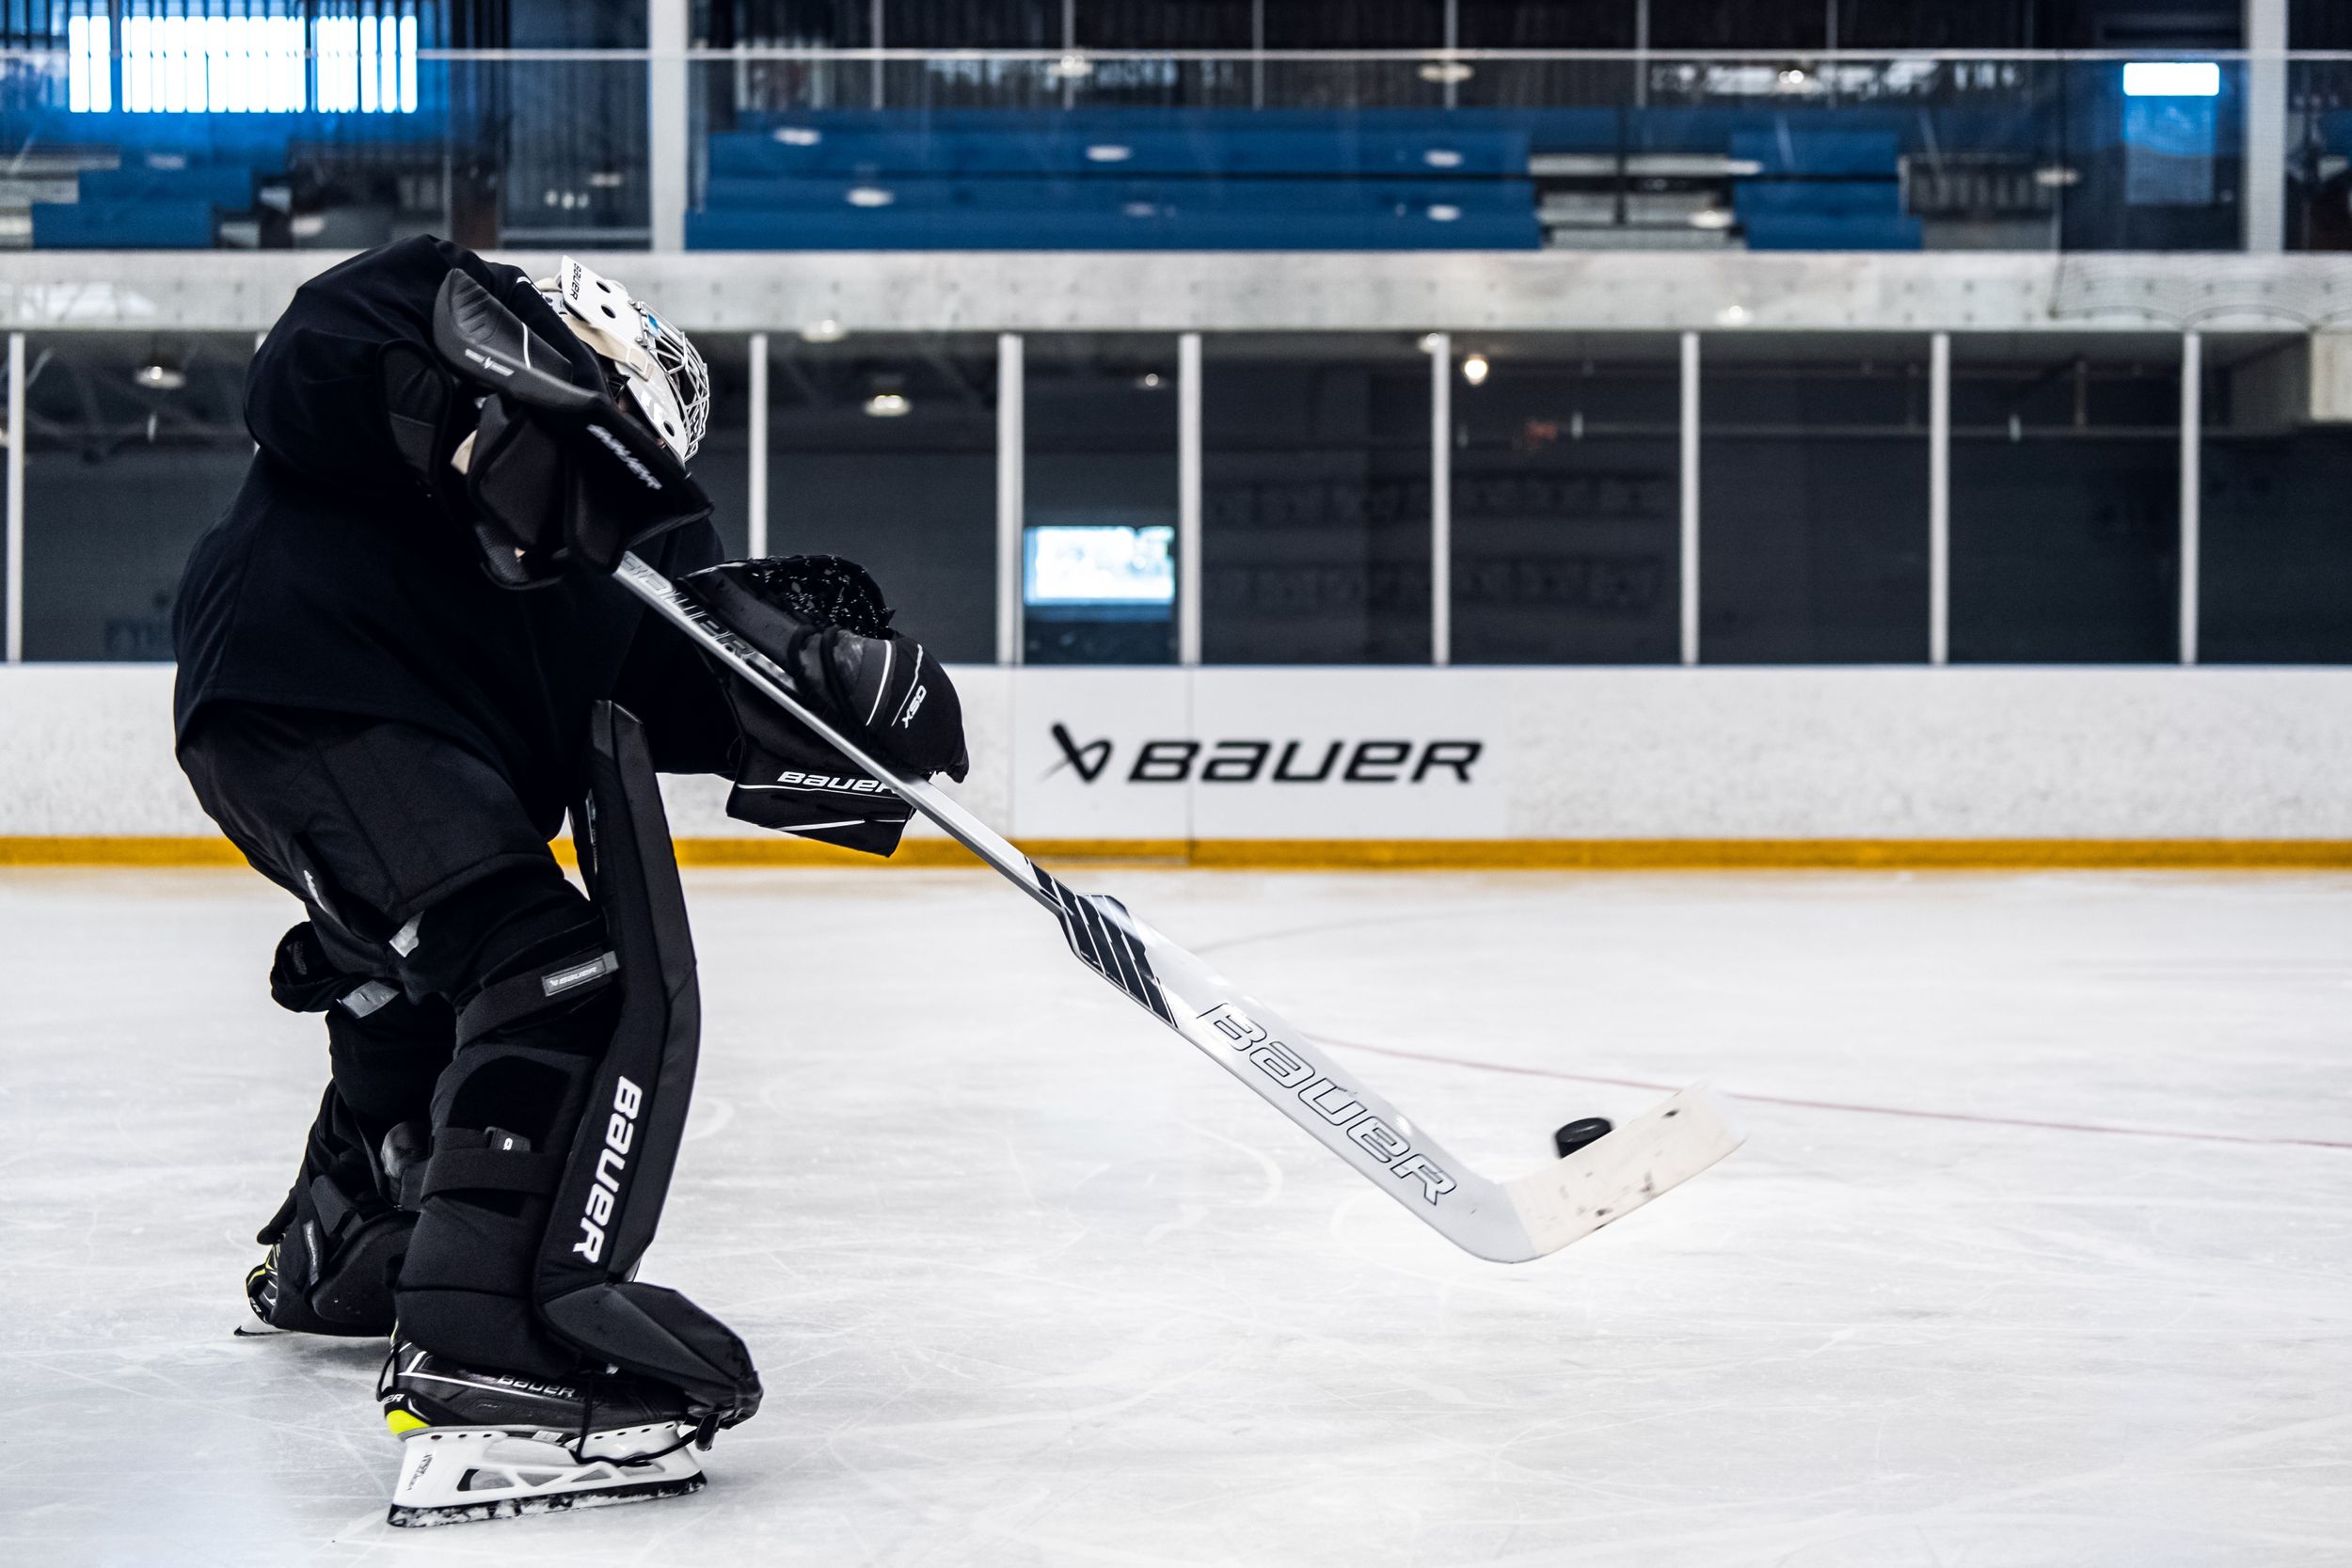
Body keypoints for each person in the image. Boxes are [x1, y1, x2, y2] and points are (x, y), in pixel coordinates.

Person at [171, 237, 967, 1525]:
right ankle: (491, 1357)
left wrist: (853, 705)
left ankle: (352, 1243)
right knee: (555, 984)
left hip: (360, 728)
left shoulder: (586, 569)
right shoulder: (380, 359)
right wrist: (523, 410)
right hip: (308, 690)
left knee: (424, 986)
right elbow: (323, 354)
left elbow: (691, 692)